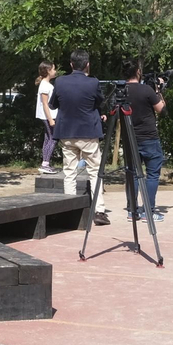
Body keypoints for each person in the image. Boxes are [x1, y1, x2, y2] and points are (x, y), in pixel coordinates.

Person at [49, 49, 110, 225]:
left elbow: (53, 105)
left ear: (71, 64)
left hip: (67, 132)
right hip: (89, 132)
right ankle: (99, 211)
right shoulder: (93, 82)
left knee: (69, 171)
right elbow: (99, 102)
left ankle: (69, 211)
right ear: (87, 65)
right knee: (95, 172)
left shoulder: (60, 81)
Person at [122, 58, 167, 220]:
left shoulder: (121, 90)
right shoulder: (146, 90)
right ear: (138, 72)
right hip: (148, 136)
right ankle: (150, 209)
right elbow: (162, 109)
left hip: (129, 137)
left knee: (132, 173)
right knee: (152, 174)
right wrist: (158, 90)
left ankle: (132, 210)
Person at [35, 62, 58, 175]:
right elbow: (45, 104)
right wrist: (50, 119)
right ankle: (45, 163)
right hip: (49, 116)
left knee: (48, 138)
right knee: (53, 139)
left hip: (49, 116)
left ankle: (45, 163)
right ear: (48, 71)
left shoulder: (46, 84)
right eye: (54, 69)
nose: (55, 71)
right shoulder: (45, 85)